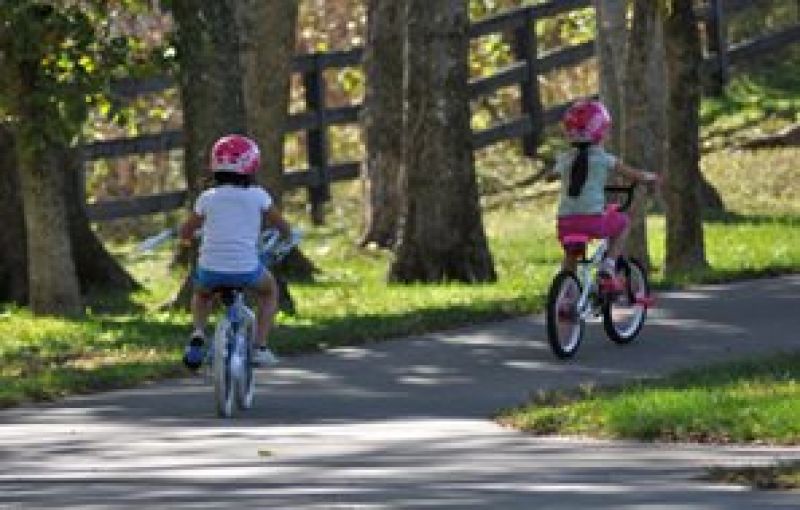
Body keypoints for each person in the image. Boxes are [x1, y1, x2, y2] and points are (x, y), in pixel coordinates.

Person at [179, 134, 293, 370]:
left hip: (210, 269)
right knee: (269, 291)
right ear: (252, 165)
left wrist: (186, 241)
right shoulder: (258, 196)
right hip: (246, 269)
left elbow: (188, 228)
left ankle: (199, 332)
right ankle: (260, 347)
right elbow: (282, 226)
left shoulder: (207, 198)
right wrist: (286, 236)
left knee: (201, 295)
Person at [550, 99, 658, 289]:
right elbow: (634, 175)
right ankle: (608, 265)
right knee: (622, 222)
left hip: (565, 221)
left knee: (571, 256)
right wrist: (649, 178)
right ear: (599, 132)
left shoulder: (565, 159)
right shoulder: (604, 159)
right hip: (592, 220)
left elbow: (552, 175)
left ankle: (565, 295)